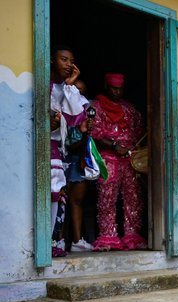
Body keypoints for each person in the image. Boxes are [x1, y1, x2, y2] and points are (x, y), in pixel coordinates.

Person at [91, 73, 146, 251]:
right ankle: (108, 236)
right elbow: (93, 132)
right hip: (108, 158)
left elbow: (139, 130)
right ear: (107, 87)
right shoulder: (96, 106)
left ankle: (132, 236)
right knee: (107, 198)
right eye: (114, 88)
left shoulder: (129, 109)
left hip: (130, 159)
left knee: (133, 198)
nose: (117, 92)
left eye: (120, 88)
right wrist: (114, 145)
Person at [49, 46, 89, 257]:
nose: (68, 64)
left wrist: (71, 84)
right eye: (63, 59)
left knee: (58, 193)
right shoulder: (45, 86)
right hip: (44, 145)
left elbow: (77, 117)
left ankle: (55, 241)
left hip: (57, 148)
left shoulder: (65, 88)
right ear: (52, 60)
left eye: (71, 60)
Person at [63, 79, 94, 252]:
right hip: (63, 158)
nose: (79, 94)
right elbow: (68, 144)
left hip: (79, 160)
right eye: (75, 91)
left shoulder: (87, 115)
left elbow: (85, 143)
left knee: (77, 201)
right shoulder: (63, 113)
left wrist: (86, 131)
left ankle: (76, 240)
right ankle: (58, 240)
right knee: (60, 200)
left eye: (82, 91)